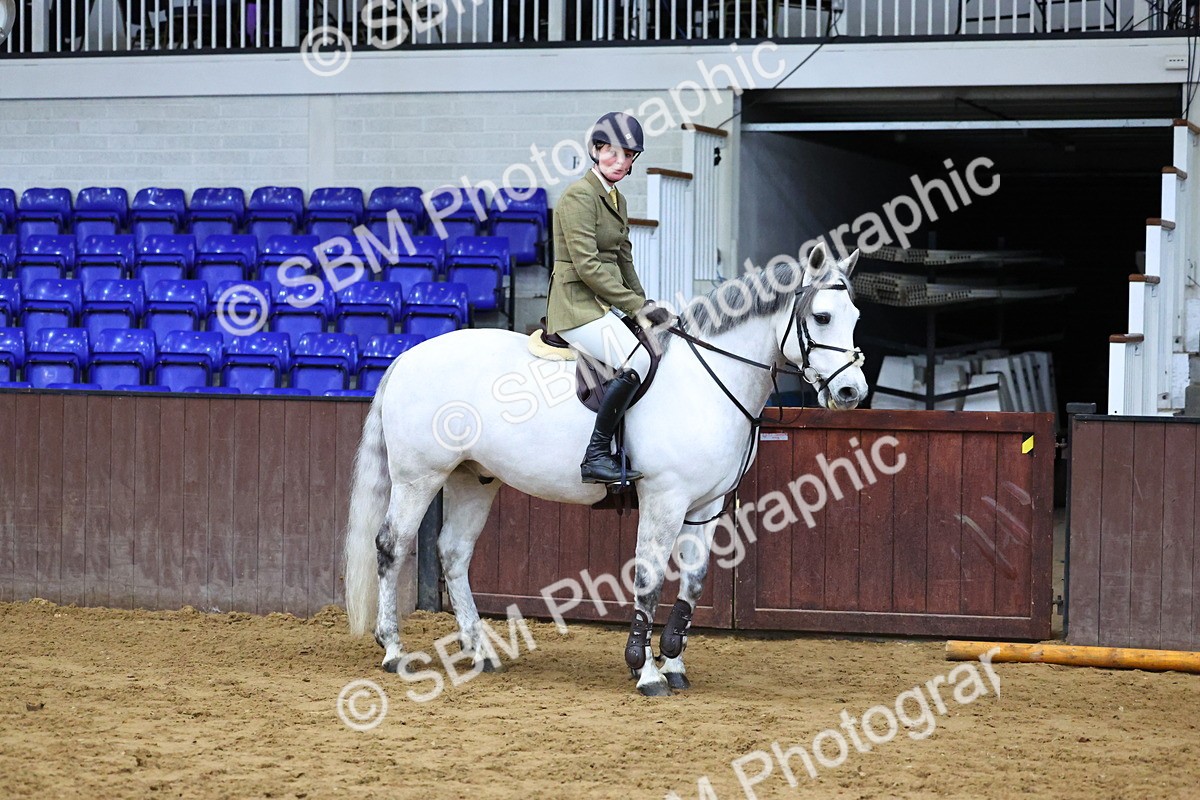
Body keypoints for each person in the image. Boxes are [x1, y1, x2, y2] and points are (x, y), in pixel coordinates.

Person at [546, 111, 675, 485]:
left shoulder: (615, 198)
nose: (621, 162)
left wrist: (646, 306)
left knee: (655, 346)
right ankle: (596, 454)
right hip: (575, 306)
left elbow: (623, 260)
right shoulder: (578, 196)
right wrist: (634, 307)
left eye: (629, 156)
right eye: (613, 153)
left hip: (601, 304)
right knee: (635, 360)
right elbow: (588, 267)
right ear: (596, 151)